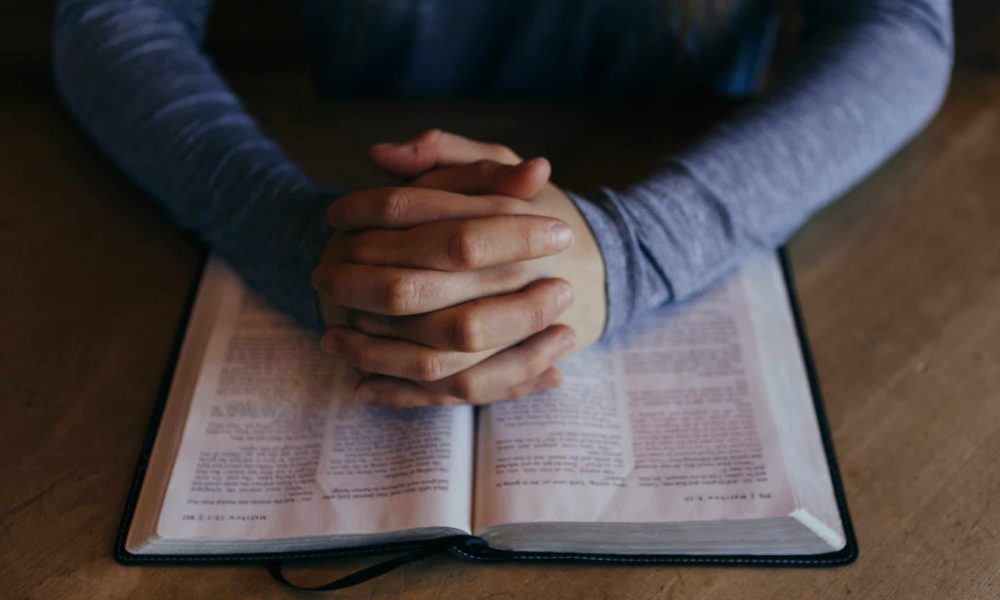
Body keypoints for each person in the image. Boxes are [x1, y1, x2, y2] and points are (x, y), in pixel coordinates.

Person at [52, 0, 953, 407]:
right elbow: (109, 19)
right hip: (354, 182)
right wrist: (308, 238)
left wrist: (635, 251)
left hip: (682, 172)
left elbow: (901, 23)